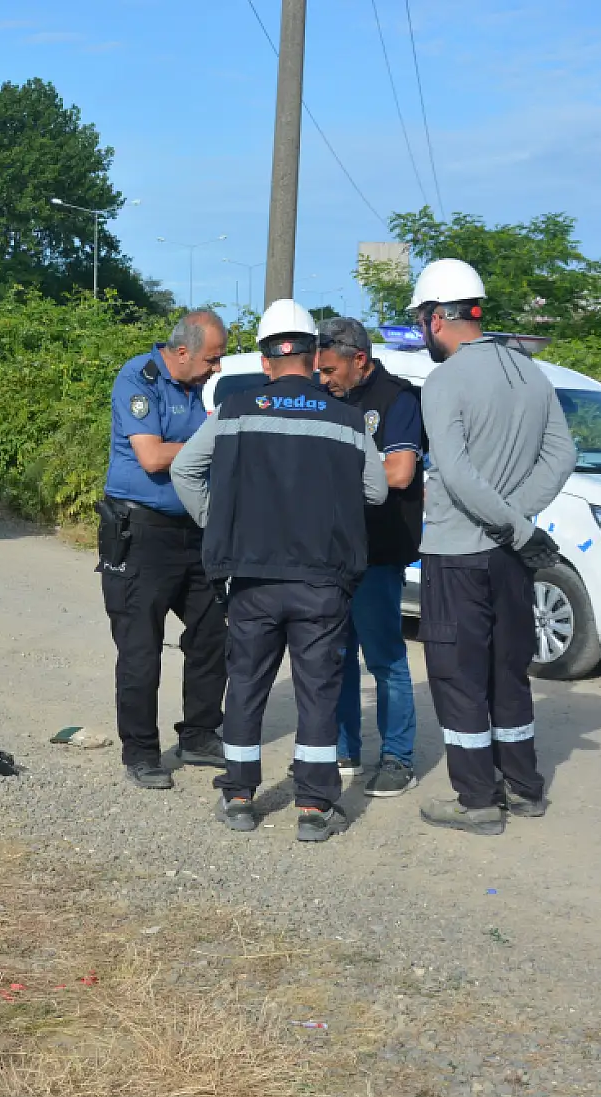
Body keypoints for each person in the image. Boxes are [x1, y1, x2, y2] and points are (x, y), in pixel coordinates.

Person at [172, 299, 388, 842]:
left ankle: (240, 797)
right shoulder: (346, 418)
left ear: (266, 361)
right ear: (315, 357)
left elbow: (184, 469)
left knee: (245, 685)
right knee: (318, 690)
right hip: (322, 581)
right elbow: (376, 491)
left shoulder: (235, 412)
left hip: (250, 579)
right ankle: (314, 809)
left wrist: (217, 525)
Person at [406, 259, 575, 836]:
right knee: (509, 671)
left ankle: (477, 799)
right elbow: (562, 456)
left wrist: (508, 522)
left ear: (435, 318)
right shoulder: (531, 373)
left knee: (458, 676)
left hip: (457, 554)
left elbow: (451, 471)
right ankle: (524, 789)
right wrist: (518, 517)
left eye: (421, 321)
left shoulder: (445, 380)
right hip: (508, 557)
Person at [97, 310, 229, 791]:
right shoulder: (139, 378)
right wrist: (215, 442)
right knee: (140, 646)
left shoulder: (200, 388)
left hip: (196, 529)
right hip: (142, 530)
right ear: (181, 352)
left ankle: (199, 733)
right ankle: (141, 751)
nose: (216, 368)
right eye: (211, 359)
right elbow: (152, 456)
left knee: (214, 632)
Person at [315, 318, 425, 798]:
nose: (323, 379)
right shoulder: (327, 400)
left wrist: (332, 471)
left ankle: (398, 758)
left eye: (331, 369)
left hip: (378, 551)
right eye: (318, 370)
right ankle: (344, 749)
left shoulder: (398, 399)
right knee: (336, 658)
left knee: (385, 660)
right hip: (331, 551)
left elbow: (399, 472)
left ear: (359, 359)